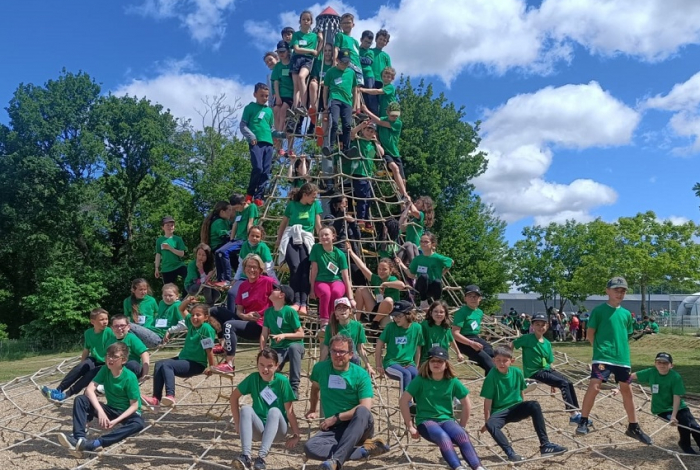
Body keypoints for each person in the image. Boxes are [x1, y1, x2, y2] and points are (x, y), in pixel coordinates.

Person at [575, 277, 652, 444]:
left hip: (622, 358)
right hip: (603, 356)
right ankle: (583, 420)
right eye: (616, 290)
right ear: (607, 291)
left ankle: (633, 426)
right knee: (595, 386)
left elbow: (627, 334)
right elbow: (590, 333)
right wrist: (599, 349)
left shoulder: (626, 314)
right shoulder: (599, 311)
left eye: (623, 290)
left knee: (627, 391)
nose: (620, 293)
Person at [304, 334, 389, 470]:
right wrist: (313, 409)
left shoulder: (360, 374)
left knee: (361, 411)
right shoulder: (320, 369)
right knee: (310, 447)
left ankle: (336, 461)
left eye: (342, 351)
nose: (337, 354)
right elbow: (315, 388)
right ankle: (364, 450)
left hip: (359, 425)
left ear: (350, 354)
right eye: (334, 351)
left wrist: (337, 417)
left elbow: (365, 407)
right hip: (335, 428)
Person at [399, 347, 486, 470]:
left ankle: (478, 467)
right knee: (443, 437)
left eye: (440, 361)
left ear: (446, 364)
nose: (436, 363)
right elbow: (403, 401)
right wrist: (410, 426)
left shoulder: (452, 381)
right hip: (426, 421)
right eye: (433, 361)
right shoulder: (420, 380)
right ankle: (457, 467)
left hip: (447, 420)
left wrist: (462, 425)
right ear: (428, 363)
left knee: (462, 435)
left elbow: (466, 403)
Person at [481, 346, 567, 461]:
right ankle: (510, 453)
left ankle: (545, 445)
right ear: (493, 360)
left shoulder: (517, 372)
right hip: (500, 411)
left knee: (534, 404)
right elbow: (487, 401)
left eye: (505, 360)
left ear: (511, 361)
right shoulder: (491, 376)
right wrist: (487, 421)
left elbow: (521, 391)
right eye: (498, 360)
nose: (501, 363)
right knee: (491, 424)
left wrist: (524, 408)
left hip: (515, 408)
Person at [56, 342, 144, 456]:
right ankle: (79, 439)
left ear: (123, 360)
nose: (110, 359)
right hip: (111, 408)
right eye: (108, 356)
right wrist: (101, 412)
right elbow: (89, 390)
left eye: (115, 357)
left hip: (128, 413)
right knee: (81, 399)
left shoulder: (130, 377)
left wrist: (116, 421)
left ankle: (95, 444)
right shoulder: (104, 370)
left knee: (139, 424)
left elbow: (134, 406)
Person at [231, 347, 302, 470]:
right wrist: (237, 423)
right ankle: (246, 456)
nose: (265, 369)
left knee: (274, 411)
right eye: (261, 365)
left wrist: (296, 435)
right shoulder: (253, 378)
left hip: (278, 430)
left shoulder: (282, 381)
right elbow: (233, 397)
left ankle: (261, 458)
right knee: (246, 409)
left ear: (277, 366)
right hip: (259, 430)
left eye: (269, 366)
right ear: (257, 364)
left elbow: (290, 412)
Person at [142, 301, 216, 408]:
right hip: (184, 359)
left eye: (198, 315)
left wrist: (211, 367)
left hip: (196, 364)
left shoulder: (206, 328)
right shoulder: (191, 324)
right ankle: (156, 399)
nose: (194, 317)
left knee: (167, 364)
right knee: (159, 364)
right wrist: (188, 300)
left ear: (206, 317)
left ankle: (170, 395)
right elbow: (181, 309)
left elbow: (209, 349)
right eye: (193, 315)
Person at [512, 313, 582, 424]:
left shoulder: (547, 343)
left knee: (568, 382)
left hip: (546, 369)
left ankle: (577, 412)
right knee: (562, 383)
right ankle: (573, 415)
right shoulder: (527, 338)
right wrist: (507, 357)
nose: (540, 327)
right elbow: (512, 344)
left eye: (543, 325)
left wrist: (552, 381)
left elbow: (549, 362)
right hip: (534, 372)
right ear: (532, 326)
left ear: (547, 326)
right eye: (537, 324)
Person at [213, 254, 275, 375]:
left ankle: (229, 365)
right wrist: (245, 316)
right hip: (246, 320)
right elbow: (239, 311)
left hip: (261, 325)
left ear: (260, 269)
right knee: (213, 311)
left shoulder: (268, 282)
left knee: (229, 325)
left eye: (255, 267)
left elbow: (282, 296)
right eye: (248, 266)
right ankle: (222, 344)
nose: (251, 270)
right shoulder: (243, 286)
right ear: (244, 268)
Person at [632, 352, 700, 454]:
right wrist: (618, 388)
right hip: (661, 409)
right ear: (655, 364)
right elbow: (630, 377)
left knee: (694, 426)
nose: (662, 365)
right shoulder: (651, 372)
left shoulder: (675, 377)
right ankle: (685, 444)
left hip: (678, 406)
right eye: (659, 362)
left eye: (665, 363)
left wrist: (674, 415)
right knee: (684, 423)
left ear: (671, 365)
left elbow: (676, 396)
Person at [42, 308, 115, 402]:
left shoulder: (109, 332)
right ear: (93, 321)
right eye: (102, 319)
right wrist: (82, 365)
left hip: (105, 363)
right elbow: (86, 349)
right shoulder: (88, 333)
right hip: (94, 359)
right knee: (80, 367)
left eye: (106, 319)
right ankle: (58, 390)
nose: (105, 322)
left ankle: (65, 395)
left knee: (89, 375)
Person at [275, 183, 323, 314]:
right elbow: (284, 223)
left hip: (306, 239)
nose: (315, 199)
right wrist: (279, 239)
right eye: (313, 196)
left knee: (305, 270)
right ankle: (295, 301)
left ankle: (304, 303)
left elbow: (318, 225)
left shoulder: (315, 206)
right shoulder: (292, 205)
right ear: (305, 195)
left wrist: (322, 240)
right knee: (295, 267)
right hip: (291, 237)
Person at [260, 284, 305, 395]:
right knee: (271, 366)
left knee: (293, 348)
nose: (272, 290)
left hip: (294, 345)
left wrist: (284, 335)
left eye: (276, 289)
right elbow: (264, 334)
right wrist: (262, 350)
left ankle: (294, 388)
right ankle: (268, 388)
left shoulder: (290, 311)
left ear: (282, 295)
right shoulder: (268, 312)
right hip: (277, 347)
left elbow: (301, 334)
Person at [310, 226, 355, 327]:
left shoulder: (339, 254)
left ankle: (333, 318)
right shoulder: (316, 248)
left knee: (336, 292)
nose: (324, 237)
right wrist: (312, 289)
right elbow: (314, 270)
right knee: (326, 293)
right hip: (321, 280)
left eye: (326, 235)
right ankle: (324, 321)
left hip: (336, 280)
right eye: (321, 235)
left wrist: (350, 297)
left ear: (333, 236)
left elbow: (345, 276)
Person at [349, 249, 404, 330]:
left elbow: (402, 285)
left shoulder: (392, 279)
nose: (381, 271)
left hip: (389, 311)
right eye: (379, 269)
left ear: (390, 270)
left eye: (384, 269)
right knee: (361, 289)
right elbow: (362, 267)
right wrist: (351, 252)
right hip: (376, 308)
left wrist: (386, 284)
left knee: (388, 300)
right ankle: (356, 320)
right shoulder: (376, 279)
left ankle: (375, 321)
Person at [375, 300, 424, 391]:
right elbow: (379, 344)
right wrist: (378, 365)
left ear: (408, 314)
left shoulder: (417, 328)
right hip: (391, 363)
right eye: (394, 316)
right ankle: (405, 403)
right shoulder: (391, 327)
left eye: (399, 316)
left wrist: (415, 365)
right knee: (405, 374)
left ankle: (417, 404)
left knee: (416, 375)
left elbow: (418, 348)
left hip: (408, 363)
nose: (396, 319)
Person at [364, 101, 408, 200]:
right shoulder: (382, 120)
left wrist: (366, 110)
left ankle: (403, 200)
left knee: (403, 181)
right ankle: (404, 195)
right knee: (394, 168)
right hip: (387, 153)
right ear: (387, 112)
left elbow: (380, 122)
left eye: (396, 116)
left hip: (395, 153)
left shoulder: (398, 123)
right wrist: (377, 140)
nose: (395, 118)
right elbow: (376, 126)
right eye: (393, 116)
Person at [345, 120, 384, 232]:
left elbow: (381, 153)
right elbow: (351, 134)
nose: (369, 132)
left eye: (372, 131)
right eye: (368, 130)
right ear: (363, 130)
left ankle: (366, 220)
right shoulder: (358, 140)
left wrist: (376, 141)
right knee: (362, 197)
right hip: (358, 172)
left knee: (369, 199)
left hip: (368, 175)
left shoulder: (372, 144)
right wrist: (361, 126)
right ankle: (361, 218)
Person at [397, 233, 454, 309]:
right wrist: (401, 264)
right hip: (421, 287)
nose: (423, 244)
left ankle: (437, 304)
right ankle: (423, 301)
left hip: (433, 287)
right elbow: (411, 274)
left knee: (437, 281)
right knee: (424, 276)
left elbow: (451, 262)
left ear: (433, 244)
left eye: (426, 242)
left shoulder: (438, 258)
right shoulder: (417, 259)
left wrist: (442, 273)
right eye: (421, 241)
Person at [241, 83, 276, 206]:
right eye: (262, 95)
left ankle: (259, 196)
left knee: (266, 171)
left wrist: (280, 134)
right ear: (255, 94)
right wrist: (251, 136)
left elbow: (271, 129)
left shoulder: (269, 111)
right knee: (258, 168)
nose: (264, 98)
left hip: (269, 143)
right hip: (256, 142)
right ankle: (250, 193)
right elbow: (243, 125)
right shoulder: (249, 108)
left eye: (266, 96)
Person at [320, 298, 374, 375]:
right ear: (336, 313)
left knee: (351, 347)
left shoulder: (357, 326)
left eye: (345, 307)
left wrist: (368, 365)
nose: (342, 310)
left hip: (351, 358)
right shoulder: (331, 327)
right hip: (335, 357)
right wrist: (320, 365)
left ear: (350, 311)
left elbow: (360, 348)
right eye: (339, 308)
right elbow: (326, 348)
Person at [322, 48, 358, 157]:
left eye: (347, 62)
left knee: (347, 125)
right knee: (335, 122)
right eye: (342, 62)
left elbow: (355, 90)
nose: (344, 64)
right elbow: (326, 88)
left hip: (347, 101)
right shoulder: (331, 72)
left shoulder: (351, 73)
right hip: (335, 99)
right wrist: (325, 103)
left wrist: (354, 105)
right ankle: (331, 146)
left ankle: (346, 148)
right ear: (337, 60)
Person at [452, 285, 495, 374]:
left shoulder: (479, 312)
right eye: (470, 296)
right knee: (487, 360)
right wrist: (471, 343)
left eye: (475, 296)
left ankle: (490, 381)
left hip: (475, 338)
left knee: (493, 355)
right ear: (465, 299)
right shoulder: (461, 312)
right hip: (463, 340)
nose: (473, 298)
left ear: (480, 299)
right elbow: (455, 334)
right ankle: (494, 381)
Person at [231, 225, 278, 302]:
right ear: (248, 235)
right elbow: (241, 264)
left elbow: (269, 267)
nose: (254, 238)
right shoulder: (245, 245)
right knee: (232, 293)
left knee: (254, 297)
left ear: (261, 238)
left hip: (257, 278)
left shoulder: (263, 247)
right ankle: (233, 313)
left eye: (257, 236)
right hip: (244, 277)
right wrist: (236, 278)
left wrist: (276, 283)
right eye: (252, 235)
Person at [129, 282, 182, 348]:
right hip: (152, 330)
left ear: (177, 296)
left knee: (127, 325)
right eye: (165, 295)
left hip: (160, 337)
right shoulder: (162, 303)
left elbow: (184, 323)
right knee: (123, 325)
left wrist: (170, 331)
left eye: (170, 295)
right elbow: (157, 318)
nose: (167, 298)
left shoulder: (178, 306)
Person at [290, 10, 322, 115]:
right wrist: (310, 50)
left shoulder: (313, 36)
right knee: (296, 86)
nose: (305, 21)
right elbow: (297, 49)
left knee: (301, 77)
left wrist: (321, 41)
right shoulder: (296, 34)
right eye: (303, 19)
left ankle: (303, 105)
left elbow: (316, 53)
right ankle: (295, 107)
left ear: (311, 22)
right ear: (300, 21)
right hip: (296, 59)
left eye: (308, 19)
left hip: (307, 60)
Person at [333, 13, 364, 106]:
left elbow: (357, 54)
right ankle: (350, 105)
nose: (346, 25)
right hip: (347, 63)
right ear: (341, 25)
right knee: (349, 85)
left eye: (348, 23)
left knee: (357, 87)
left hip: (357, 65)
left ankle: (357, 109)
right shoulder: (340, 35)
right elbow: (336, 48)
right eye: (344, 23)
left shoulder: (355, 41)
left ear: (353, 24)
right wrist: (335, 60)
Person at [107, 314, 149, 380]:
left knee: (133, 364)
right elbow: (107, 358)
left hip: (130, 368)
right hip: (115, 368)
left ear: (128, 327)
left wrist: (145, 374)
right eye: (116, 326)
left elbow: (144, 354)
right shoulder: (110, 341)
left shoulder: (132, 339)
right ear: (112, 328)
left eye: (122, 325)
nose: (119, 328)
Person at [271, 42, 295, 154]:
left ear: (288, 51)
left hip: (290, 94)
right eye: (279, 52)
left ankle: (279, 135)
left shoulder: (292, 64)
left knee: (283, 111)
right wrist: (278, 96)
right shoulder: (278, 67)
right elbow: (276, 82)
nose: (281, 54)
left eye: (283, 51)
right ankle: (278, 143)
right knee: (275, 110)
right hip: (281, 94)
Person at [398, 196, 435, 265]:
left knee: (413, 267)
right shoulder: (413, 220)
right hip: (409, 247)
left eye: (418, 203)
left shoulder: (421, 215)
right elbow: (403, 228)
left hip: (416, 248)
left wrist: (409, 202)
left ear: (423, 207)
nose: (414, 203)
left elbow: (414, 211)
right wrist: (404, 209)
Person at [124, 278, 160, 346]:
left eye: (145, 289)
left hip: (149, 331)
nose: (143, 292)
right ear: (133, 290)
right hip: (134, 331)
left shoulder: (151, 300)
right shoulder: (127, 301)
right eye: (140, 290)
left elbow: (157, 315)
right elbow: (127, 317)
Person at [155, 215, 187, 285]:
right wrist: (156, 268)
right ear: (163, 227)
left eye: (172, 225)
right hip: (166, 268)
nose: (170, 227)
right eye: (167, 225)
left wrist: (170, 248)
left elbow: (182, 254)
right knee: (169, 288)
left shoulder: (178, 239)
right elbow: (158, 254)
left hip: (179, 265)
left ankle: (186, 295)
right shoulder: (159, 240)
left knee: (189, 278)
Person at [358, 30, 377, 115]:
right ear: (361, 39)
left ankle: (373, 114)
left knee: (370, 94)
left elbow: (368, 61)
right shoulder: (356, 49)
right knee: (360, 94)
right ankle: (362, 113)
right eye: (365, 41)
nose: (367, 44)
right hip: (358, 75)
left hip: (368, 75)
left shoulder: (370, 52)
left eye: (369, 43)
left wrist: (357, 58)